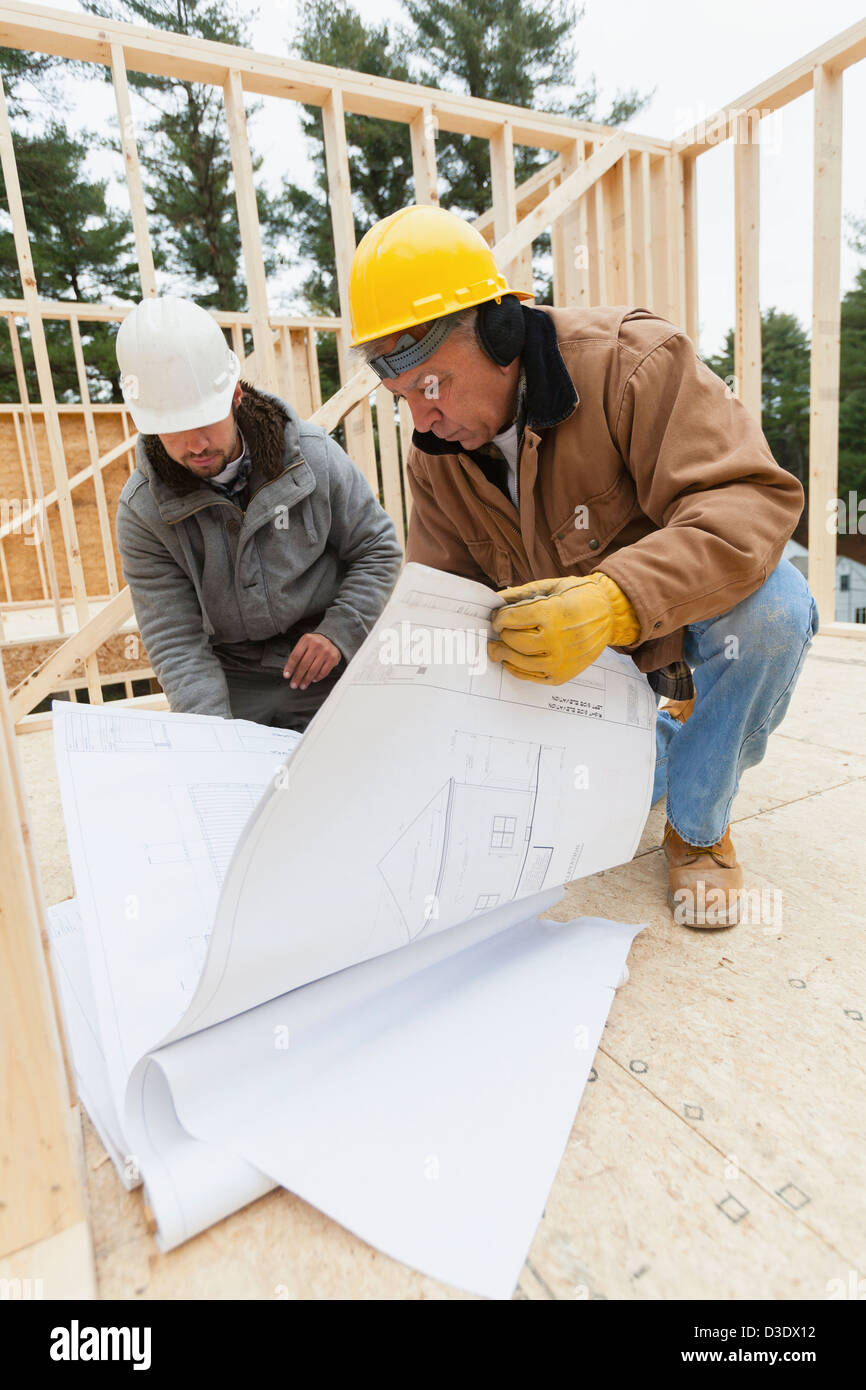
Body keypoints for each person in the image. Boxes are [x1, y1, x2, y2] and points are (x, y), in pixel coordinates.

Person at [348, 204, 818, 927]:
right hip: (580, 679)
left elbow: (750, 499)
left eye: (431, 386)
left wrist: (614, 601)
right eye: (403, 399)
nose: (423, 419)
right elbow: (441, 605)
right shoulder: (436, 460)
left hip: (679, 623)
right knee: (585, 802)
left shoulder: (633, 364)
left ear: (499, 333)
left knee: (777, 614)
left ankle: (696, 829)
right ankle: (672, 747)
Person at [115, 295, 402, 731]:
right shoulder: (143, 511)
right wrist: (211, 735)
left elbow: (378, 549)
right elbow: (175, 640)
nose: (194, 445)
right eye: (173, 430)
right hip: (232, 674)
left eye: (204, 421)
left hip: (330, 655)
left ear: (235, 395)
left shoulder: (313, 458)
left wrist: (340, 630)